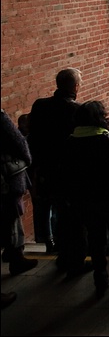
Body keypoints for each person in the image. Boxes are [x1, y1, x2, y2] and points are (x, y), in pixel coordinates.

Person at [63, 101, 109, 298]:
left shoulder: (70, 141)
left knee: (96, 239)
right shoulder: (108, 139)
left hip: (85, 199)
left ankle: (100, 280)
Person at [27, 68, 86, 274]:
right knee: (72, 216)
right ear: (76, 87)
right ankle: (74, 259)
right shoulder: (76, 110)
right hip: (69, 172)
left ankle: (61, 252)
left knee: (57, 210)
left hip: (46, 169)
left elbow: (32, 138)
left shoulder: (39, 106)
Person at [1, 110, 37, 281]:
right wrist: (27, 160)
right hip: (7, 178)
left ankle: (11, 252)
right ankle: (16, 257)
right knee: (13, 216)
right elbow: (18, 141)